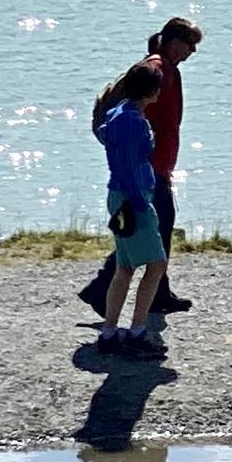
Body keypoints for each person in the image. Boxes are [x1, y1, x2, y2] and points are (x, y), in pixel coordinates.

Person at [79, 18, 201, 322]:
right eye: (190, 45)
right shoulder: (158, 69)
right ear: (175, 42)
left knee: (156, 227)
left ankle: (156, 293)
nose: (192, 51)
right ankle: (104, 289)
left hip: (156, 164)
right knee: (154, 226)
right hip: (148, 166)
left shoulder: (167, 69)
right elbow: (139, 110)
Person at [92, 62, 172, 357]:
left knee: (125, 267)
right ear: (151, 91)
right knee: (157, 263)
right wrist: (139, 202)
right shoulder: (132, 121)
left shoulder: (118, 113)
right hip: (133, 197)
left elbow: (109, 142)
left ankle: (110, 332)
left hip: (120, 195)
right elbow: (127, 165)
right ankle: (137, 331)